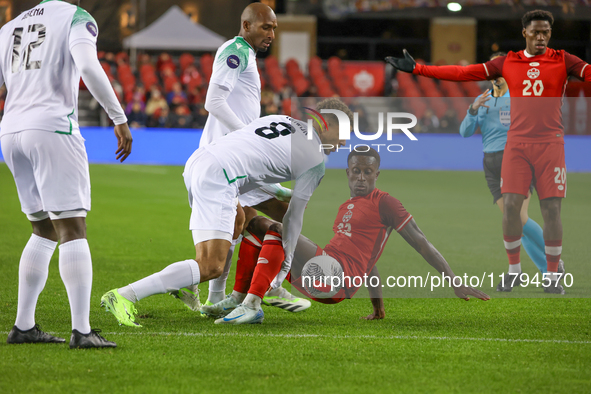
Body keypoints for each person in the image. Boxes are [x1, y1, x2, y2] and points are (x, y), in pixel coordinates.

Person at [386, 10, 591, 294]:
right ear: (525, 33)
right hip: (516, 146)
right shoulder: (507, 62)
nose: (541, 37)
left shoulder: (563, 59)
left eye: (546, 32)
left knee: (551, 209)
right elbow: (463, 72)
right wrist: (420, 69)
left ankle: (553, 275)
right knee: (510, 208)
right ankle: (514, 271)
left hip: (550, 144)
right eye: (536, 32)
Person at [100, 98, 351, 327]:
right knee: (211, 266)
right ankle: (124, 295)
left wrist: (281, 192)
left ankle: (207, 292)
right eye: (344, 132)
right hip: (222, 176)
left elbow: (252, 159)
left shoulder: (280, 119)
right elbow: (293, 218)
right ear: (327, 123)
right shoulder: (315, 160)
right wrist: (284, 268)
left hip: (200, 162)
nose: (345, 141)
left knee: (239, 220)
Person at [204, 148, 490, 324]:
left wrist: (454, 281)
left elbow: (422, 244)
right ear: (348, 173)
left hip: (336, 276)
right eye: (356, 172)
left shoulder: (386, 202)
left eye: (368, 172)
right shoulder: (349, 206)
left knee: (279, 230)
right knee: (254, 222)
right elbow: (369, 261)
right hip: (325, 272)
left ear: (378, 173)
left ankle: (251, 304)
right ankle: (240, 298)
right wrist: (378, 307)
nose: (362, 177)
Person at [1, 0, 132, 348]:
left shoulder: (8, 27)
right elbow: (88, 66)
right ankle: (82, 331)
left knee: (42, 229)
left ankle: (24, 326)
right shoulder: (76, 17)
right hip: (52, 129)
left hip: (10, 132)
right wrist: (118, 118)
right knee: (72, 227)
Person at [189, 2, 299, 310]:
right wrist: (247, 136)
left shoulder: (245, 54)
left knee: (245, 221)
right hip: (230, 158)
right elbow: (214, 100)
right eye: (266, 27)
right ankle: (268, 285)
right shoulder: (234, 51)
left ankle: (221, 296)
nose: (271, 34)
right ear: (246, 25)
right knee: (269, 216)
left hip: (237, 156)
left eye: (274, 28)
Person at [459, 52, 563, 291]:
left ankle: (553, 267)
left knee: (519, 218)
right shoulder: (482, 99)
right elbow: (464, 132)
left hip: (515, 159)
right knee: (514, 222)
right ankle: (549, 268)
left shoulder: (518, 96)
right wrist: (473, 110)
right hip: (490, 163)